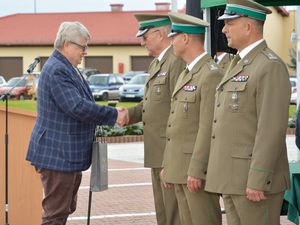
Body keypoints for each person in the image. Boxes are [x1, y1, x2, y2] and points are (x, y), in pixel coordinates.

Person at [26, 21, 128, 224]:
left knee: (63, 209)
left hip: (65, 155)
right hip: (57, 155)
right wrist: (112, 114)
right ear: (66, 44)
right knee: (55, 214)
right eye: (83, 47)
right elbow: (76, 107)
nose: (86, 52)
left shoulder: (67, 67)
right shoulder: (57, 69)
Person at [205, 0, 291, 224]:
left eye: (229, 24)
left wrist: (258, 178)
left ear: (248, 27)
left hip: (253, 182)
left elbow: (270, 129)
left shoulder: (268, 65)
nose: (223, 30)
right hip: (233, 179)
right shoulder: (238, 63)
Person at [160, 12, 223, 225]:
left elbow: (208, 128)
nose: (171, 43)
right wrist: (168, 164)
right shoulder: (187, 73)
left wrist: (197, 169)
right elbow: (176, 124)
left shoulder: (210, 73)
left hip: (195, 173)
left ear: (185, 38)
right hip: (179, 169)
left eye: (173, 37)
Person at [125, 14, 186, 225]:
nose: (142, 42)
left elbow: (180, 112)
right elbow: (151, 105)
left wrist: (171, 157)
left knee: (173, 215)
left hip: (168, 153)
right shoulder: (157, 64)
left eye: (145, 36)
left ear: (161, 34)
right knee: (163, 213)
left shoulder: (176, 62)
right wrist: (127, 115)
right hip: (157, 152)